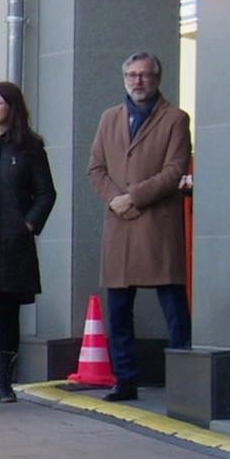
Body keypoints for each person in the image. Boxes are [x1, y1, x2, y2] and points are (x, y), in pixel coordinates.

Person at [86, 51, 191, 402]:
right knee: (118, 309)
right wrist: (116, 199)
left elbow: (175, 170)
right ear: (124, 78)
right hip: (119, 224)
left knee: (173, 304)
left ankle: (183, 382)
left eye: (144, 75)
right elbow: (96, 168)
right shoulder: (109, 118)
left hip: (157, 224)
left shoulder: (175, 118)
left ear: (157, 78)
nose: (138, 81)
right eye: (131, 75)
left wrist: (134, 197)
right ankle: (125, 380)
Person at [0, 81, 55, 404]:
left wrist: (27, 224)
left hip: (14, 248)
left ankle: (5, 382)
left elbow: (46, 193)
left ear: (12, 108)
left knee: (8, 315)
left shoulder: (30, 149)